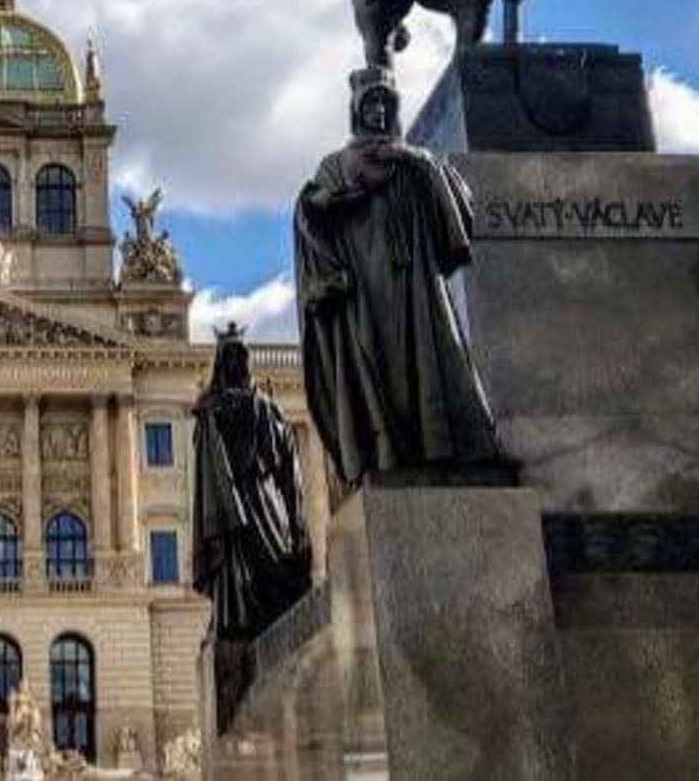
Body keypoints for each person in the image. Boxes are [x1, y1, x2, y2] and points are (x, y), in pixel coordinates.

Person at [294, 66, 502, 485]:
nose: (377, 111)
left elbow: (455, 210)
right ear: (356, 110)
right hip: (365, 287)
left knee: (429, 359)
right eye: (369, 103)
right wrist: (321, 203)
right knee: (376, 367)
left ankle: (442, 447)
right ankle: (388, 448)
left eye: (384, 103)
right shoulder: (336, 164)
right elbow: (309, 216)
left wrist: (418, 161)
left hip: (415, 283)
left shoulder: (414, 161)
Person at [192, 324, 312, 639]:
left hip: (262, 493)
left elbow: (286, 458)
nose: (235, 364)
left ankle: (273, 610)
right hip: (231, 494)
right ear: (220, 363)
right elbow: (207, 453)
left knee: (274, 559)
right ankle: (242, 617)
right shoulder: (211, 407)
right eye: (228, 357)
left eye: (239, 357)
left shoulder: (267, 406)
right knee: (241, 562)